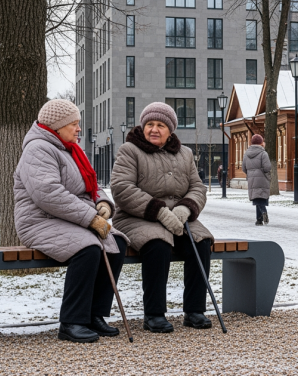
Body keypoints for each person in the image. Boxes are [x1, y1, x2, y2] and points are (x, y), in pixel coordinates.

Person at [13, 99, 128, 343]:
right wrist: (90, 219)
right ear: (57, 126)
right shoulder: (38, 149)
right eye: (74, 124)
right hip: (40, 221)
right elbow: (49, 194)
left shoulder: (71, 149)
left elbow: (92, 187)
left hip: (70, 219)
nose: (78, 129)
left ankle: (94, 315)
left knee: (117, 243)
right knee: (87, 247)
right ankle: (72, 321)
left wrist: (103, 205)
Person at [111, 102, 214, 333]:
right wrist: (159, 211)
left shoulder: (185, 154)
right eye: (149, 124)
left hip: (178, 217)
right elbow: (121, 188)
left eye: (160, 125)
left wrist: (186, 208)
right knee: (158, 244)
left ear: (170, 130)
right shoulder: (130, 150)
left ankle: (195, 310)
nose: (153, 129)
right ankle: (154, 314)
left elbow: (197, 187)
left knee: (201, 242)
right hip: (137, 216)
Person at [243, 134, 271, 225]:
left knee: (256, 197)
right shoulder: (263, 153)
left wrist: (250, 173)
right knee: (261, 197)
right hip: (262, 177)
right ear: (261, 143)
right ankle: (263, 211)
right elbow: (267, 167)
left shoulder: (246, 153)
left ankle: (259, 220)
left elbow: (244, 168)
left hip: (252, 178)